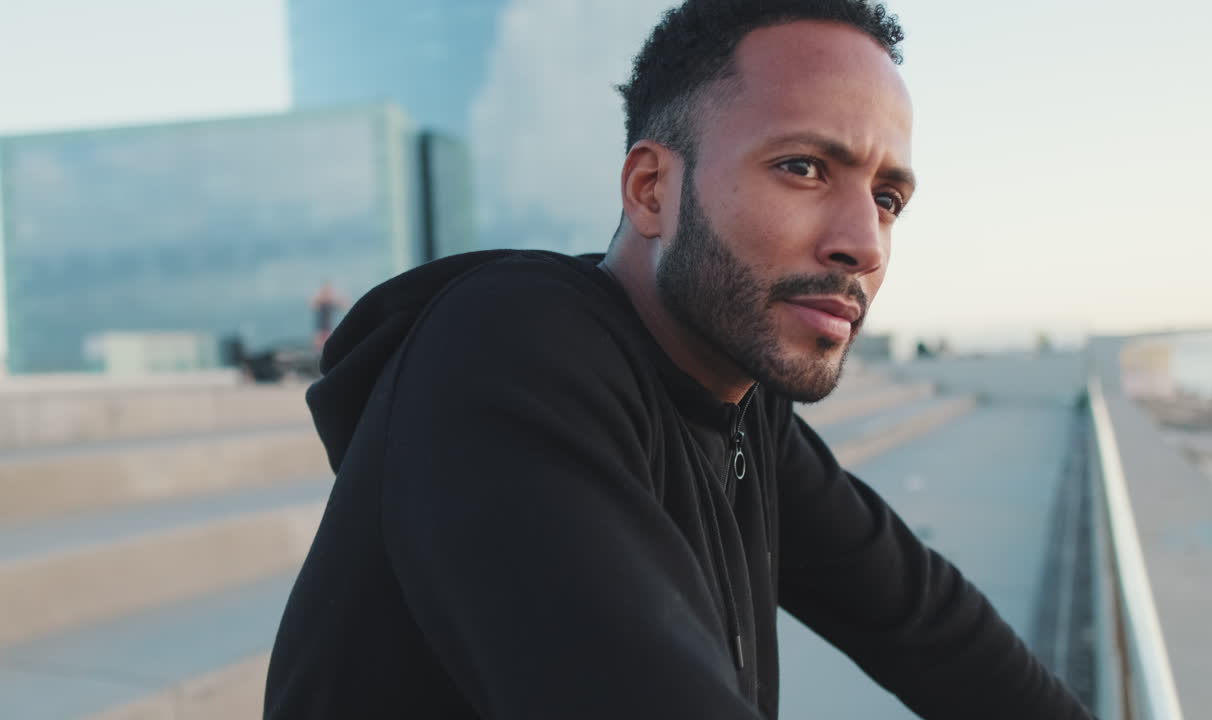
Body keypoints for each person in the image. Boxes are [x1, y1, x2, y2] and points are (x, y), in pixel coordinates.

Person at [264, 1, 1095, 718]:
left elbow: (923, 621)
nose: (862, 244)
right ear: (651, 190)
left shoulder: (735, 397)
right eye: (803, 168)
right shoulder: (506, 353)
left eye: (887, 199)